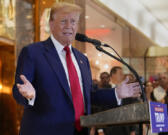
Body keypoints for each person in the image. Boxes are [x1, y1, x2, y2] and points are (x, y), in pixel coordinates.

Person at [12, 2, 141, 135]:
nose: (69, 26)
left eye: (73, 21)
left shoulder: (82, 59)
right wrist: (29, 95)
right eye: (63, 21)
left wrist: (116, 93)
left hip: (80, 131)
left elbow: (89, 94)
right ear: (51, 24)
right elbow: (18, 89)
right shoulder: (33, 52)